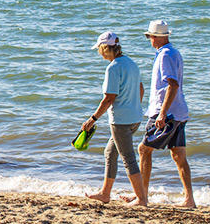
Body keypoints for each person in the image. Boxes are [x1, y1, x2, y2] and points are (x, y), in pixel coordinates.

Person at [81, 31, 148, 207]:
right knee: (110, 153)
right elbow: (141, 89)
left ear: (105, 48)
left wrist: (92, 119)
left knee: (128, 159)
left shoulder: (113, 68)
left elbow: (109, 98)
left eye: (99, 50)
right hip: (135, 118)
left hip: (121, 121)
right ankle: (105, 193)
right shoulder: (131, 63)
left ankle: (141, 199)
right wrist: (134, 107)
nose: (99, 54)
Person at [134, 20, 196, 208]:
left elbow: (172, 84)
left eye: (150, 37)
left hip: (166, 113)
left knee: (144, 150)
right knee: (178, 155)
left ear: (157, 37)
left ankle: (142, 197)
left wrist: (162, 113)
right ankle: (189, 199)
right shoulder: (173, 53)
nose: (149, 40)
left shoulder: (165, 55)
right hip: (178, 112)